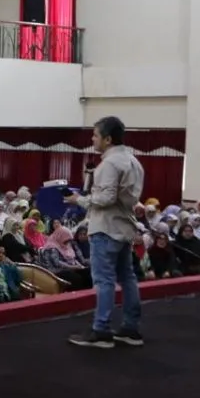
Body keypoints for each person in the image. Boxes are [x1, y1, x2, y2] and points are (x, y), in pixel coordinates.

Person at [65, 117, 145, 349]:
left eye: (95, 135)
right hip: (124, 227)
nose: (92, 139)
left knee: (104, 280)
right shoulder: (134, 161)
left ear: (108, 139)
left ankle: (101, 330)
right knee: (127, 277)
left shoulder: (109, 164)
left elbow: (106, 198)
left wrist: (78, 199)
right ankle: (130, 328)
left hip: (106, 228)